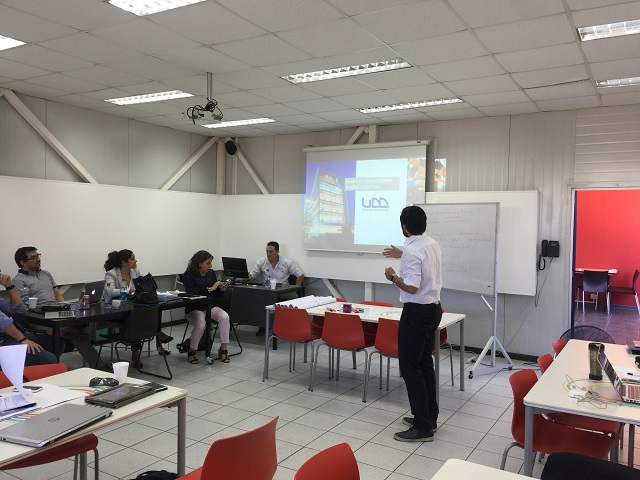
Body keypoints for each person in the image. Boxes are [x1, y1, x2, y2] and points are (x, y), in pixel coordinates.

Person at [383, 206, 443, 442]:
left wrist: (392, 277)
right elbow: (421, 263)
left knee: (410, 367)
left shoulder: (412, 251)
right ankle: (429, 416)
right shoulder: (431, 244)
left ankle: (422, 426)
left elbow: (411, 287)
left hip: (416, 312)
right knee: (424, 363)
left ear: (404, 226)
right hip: (433, 309)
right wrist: (402, 254)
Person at [13, 246, 111, 371]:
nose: (38, 259)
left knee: (79, 324)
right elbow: (24, 306)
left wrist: (65, 306)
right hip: (38, 318)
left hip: (55, 310)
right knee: (75, 332)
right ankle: (99, 366)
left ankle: (96, 364)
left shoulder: (45, 274)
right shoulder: (18, 281)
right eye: (34, 257)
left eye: (38, 256)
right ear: (23, 262)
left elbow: (57, 295)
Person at [104, 249, 173, 368]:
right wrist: (129, 290)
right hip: (116, 309)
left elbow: (143, 286)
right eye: (132, 259)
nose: (136, 261)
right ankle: (152, 337)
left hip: (132, 305)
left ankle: (150, 340)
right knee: (137, 319)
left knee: (147, 312)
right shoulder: (111, 274)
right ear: (124, 262)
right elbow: (110, 291)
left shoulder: (135, 271)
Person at [180, 250, 231, 364]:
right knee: (201, 324)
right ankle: (192, 350)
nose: (210, 266)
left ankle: (223, 349)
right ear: (199, 263)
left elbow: (216, 294)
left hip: (210, 306)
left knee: (224, 317)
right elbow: (192, 292)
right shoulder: (188, 275)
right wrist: (211, 288)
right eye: (208, 263)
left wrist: (221, 290)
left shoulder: (211, 273)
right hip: (194, 308)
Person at [1, 270, 58, 366]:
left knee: (56, 343)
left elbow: (20, 310)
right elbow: (2, 321)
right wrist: (23, 340)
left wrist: (9, 286)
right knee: (50, 359)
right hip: (2, 343)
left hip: (8, 338)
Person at [249, 241, 304, 335]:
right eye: (267, 251)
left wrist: (296, 288)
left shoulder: (287, 263)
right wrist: (246, 278)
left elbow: (300, 275)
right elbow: (252, 275)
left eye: (271, 252)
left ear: (277, 252)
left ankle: (281, 327)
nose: (268, 254)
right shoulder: (261, 262)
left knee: (284, 299)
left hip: (283, 290)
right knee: (258, 297)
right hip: (267, 290)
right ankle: (262, 325)